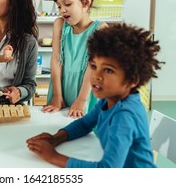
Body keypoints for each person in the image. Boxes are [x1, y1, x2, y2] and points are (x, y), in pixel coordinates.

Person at [27, 23, 164, 168]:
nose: (96, 76)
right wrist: (56, 138)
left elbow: (107, 169)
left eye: (108, 70)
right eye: (93, 66)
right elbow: (85, 124)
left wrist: (54, 157)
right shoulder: (109, 100)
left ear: (132, 80)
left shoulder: (124, 115)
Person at [42, 0, 108, 117]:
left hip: (86, 91)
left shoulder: (100, 29)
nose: (62, 10)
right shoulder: (59, 24)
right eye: (59, 6)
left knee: (84, 133)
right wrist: (57, 96)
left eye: (67, 3)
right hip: (61, 89)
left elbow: (94, 67)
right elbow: (56, 59)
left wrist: (81, 100)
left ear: (85, 3)